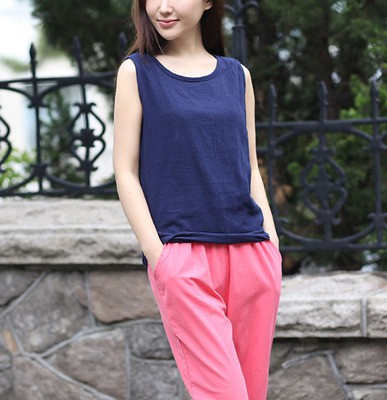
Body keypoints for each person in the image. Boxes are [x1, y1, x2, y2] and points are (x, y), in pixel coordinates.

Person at [113, 0, 282, 398]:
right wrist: (160, 258)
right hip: (182, 257)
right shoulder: (137, 72)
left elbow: (249, 165)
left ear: (208, 2)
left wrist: (271, 244)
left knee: (251, 393)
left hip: (251, 255)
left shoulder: (237, 76)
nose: (163, 7)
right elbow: (125, 170)